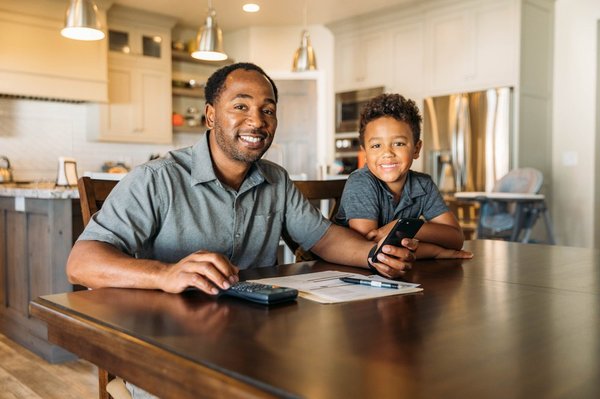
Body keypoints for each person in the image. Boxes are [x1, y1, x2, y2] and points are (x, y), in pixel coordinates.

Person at [66, 63, 421, 298]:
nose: (257, 121)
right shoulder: (156, 179)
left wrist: (375, 256)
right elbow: (80, 263)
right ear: (210, 115)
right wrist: (164, 274)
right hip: (168, 340)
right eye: (241, 106)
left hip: (253, 333)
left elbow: (324, 238)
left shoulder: (275, 180)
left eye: (267, 110)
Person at [334, 93, 472, 259]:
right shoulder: (361, 183)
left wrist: (399, 228)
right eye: (376, 145)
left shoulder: (423, 185)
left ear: (416, 149)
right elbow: (370, 250)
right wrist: (435, 251)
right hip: (345, 273)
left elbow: (456, 238)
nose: (387, 153)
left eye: (398, 143)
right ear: (364, 153)